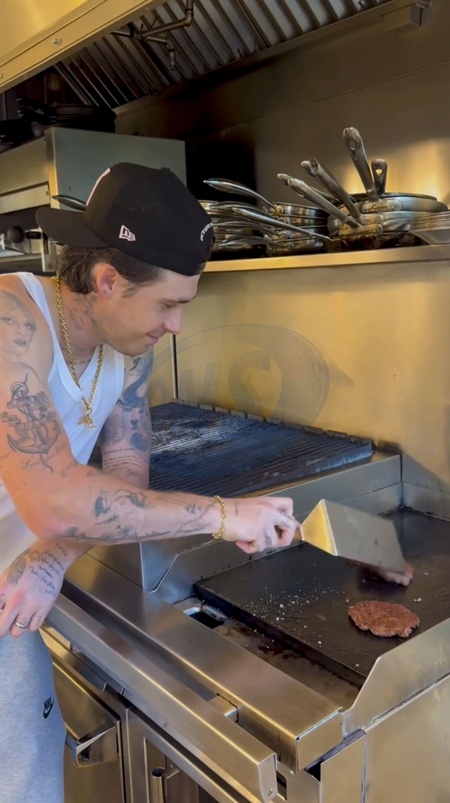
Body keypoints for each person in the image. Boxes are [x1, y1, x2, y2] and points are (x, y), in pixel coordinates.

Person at [0, 162, 299, 803]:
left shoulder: (125, 347)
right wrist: (223, 514)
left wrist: (51, 559)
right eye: (168, 304)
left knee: (28, 777)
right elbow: (54, 499)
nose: (176, 326)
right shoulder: (11, 321)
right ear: (108, 280)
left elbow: (125, 468)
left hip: (9, 583)